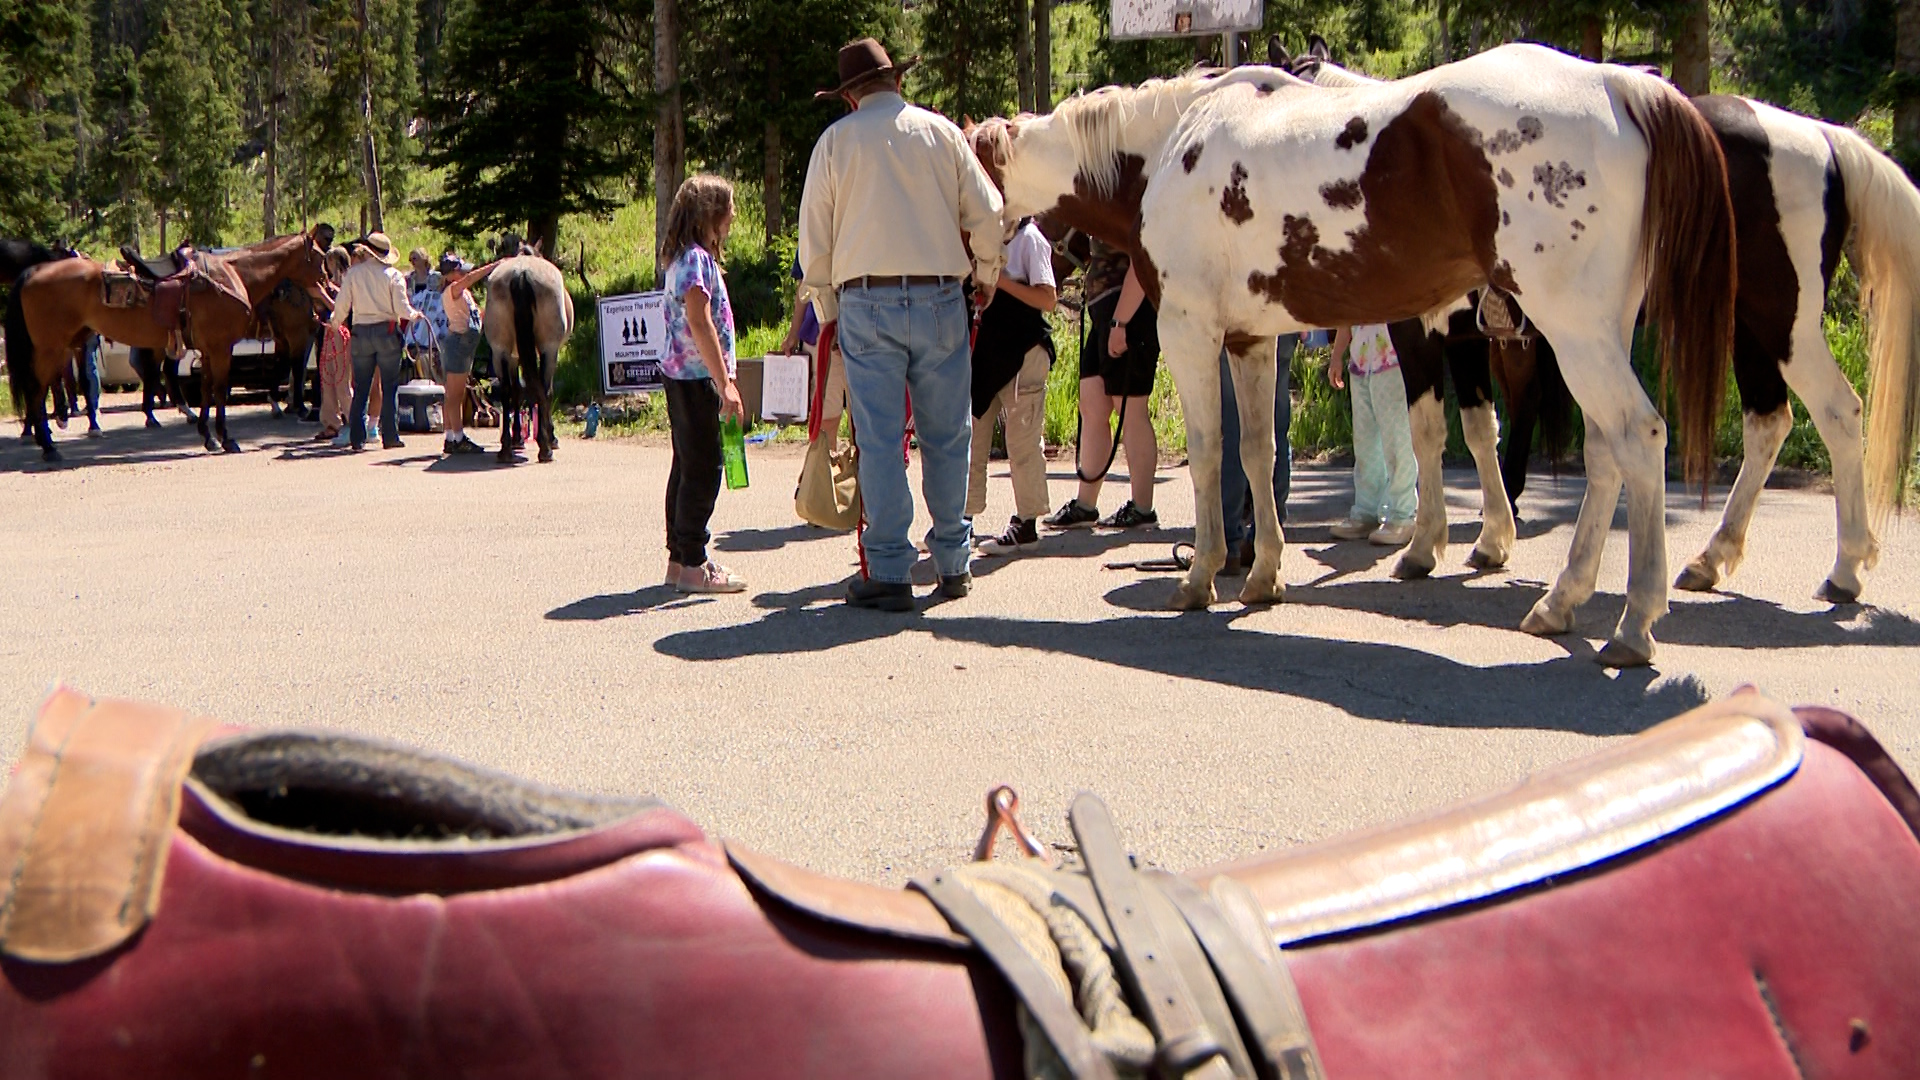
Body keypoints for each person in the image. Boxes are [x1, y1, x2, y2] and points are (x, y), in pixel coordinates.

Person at [799, 37, 1005, 612]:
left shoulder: (836, 143)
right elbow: (989, 212)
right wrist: (986, 273)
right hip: (942, 295)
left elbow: (815, 242)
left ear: (848, 96)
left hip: (867, 301)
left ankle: (889, 568)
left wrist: (827, 311)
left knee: (881, 440)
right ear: (897, 82)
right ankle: (953, 561)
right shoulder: (940, 133)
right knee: (948, 435)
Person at [659, 174, 748, 594]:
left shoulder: (684, 256)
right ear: (710, 214)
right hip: (697, 379)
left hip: (682, 376)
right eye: (727, 211)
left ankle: (679, 558)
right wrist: (724, 382)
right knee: (704, 468)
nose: (731, 218)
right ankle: (694, 562)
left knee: (686, 464)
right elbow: (699, 320)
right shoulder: (695, 259)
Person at [1044, 240, 1159, 531]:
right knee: (1092, 404)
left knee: (1130, 408)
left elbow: (1144, 257)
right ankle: (1085, 505)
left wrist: (1121, 323)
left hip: (1130, 311)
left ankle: (1143, 508)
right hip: (1103, 310)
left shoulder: (1136, 201)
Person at [967, 215, 1057, 556]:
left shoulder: (1031, 238)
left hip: (1024, 352)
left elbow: (1048, 298)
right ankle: (962, 521)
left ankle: (1027, 523)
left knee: (1022, 443)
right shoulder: (980, 237)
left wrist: (1000, 282)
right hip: (985, 355)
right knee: (971, 440)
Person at [327, 233, 418, 451]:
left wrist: (334, 323)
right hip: (386, 332)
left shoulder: (353, 274)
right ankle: (390, 436)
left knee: (361, 387)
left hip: (361, 333)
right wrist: (414, 315)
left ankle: (357, 438)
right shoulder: (394, 275)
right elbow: (401, 308)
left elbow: (342, 306)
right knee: (389, 386)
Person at [1328, 324, 1417, 546]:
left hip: (1392, 361)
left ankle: (1402, 514)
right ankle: (1366, 511)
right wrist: (1337, 356)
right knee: (1365, 444)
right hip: (1360, 363)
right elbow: (1347, 315)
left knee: (1397, 440)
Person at [1218, 333, 1298, 572]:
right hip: (1281, 323)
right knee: (1276, 426)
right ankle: (1268, 531)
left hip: (1238, 319)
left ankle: (1227, 542)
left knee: (1236, 426)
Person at [437, 255, 500, 455]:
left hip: (462, 345)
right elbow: (470, 278)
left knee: (454, 393)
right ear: (451, 274)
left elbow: (475, 315)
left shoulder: (462, 294)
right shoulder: (453, 289)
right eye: (460, 270)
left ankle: (450, 436)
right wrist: (494, 266)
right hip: (458, 344)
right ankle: (458, 438)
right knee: (455, 396)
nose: (464, 273)